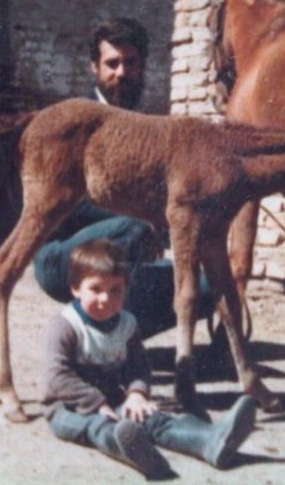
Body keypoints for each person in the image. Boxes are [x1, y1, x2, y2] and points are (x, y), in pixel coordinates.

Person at [33, 18, 214, 339]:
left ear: (142, 65)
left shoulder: (147, 125)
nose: (121, 72)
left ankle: (115, 338)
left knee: (208, 283)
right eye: (112, 64)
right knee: (133, 227)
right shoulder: (75, 124)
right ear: (94, 67)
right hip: (63, 256)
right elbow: (64, 205)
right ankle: (94, 337)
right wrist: (143, 217)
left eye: (130, 63)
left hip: (124, 255)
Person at [42, 239, 256, 480]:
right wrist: (97, 403)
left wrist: (137, 393)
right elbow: (57, 377)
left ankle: (210, 440)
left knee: (152, 419)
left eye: (116, 290)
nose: (106, 299)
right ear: (75, 288)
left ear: (126, 289)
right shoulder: (65, 325)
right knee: (97, 427)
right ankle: (135, 453)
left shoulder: (127, 324)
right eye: (96, 289)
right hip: (68, 408)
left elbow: (139, 366)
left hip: (115, 399)